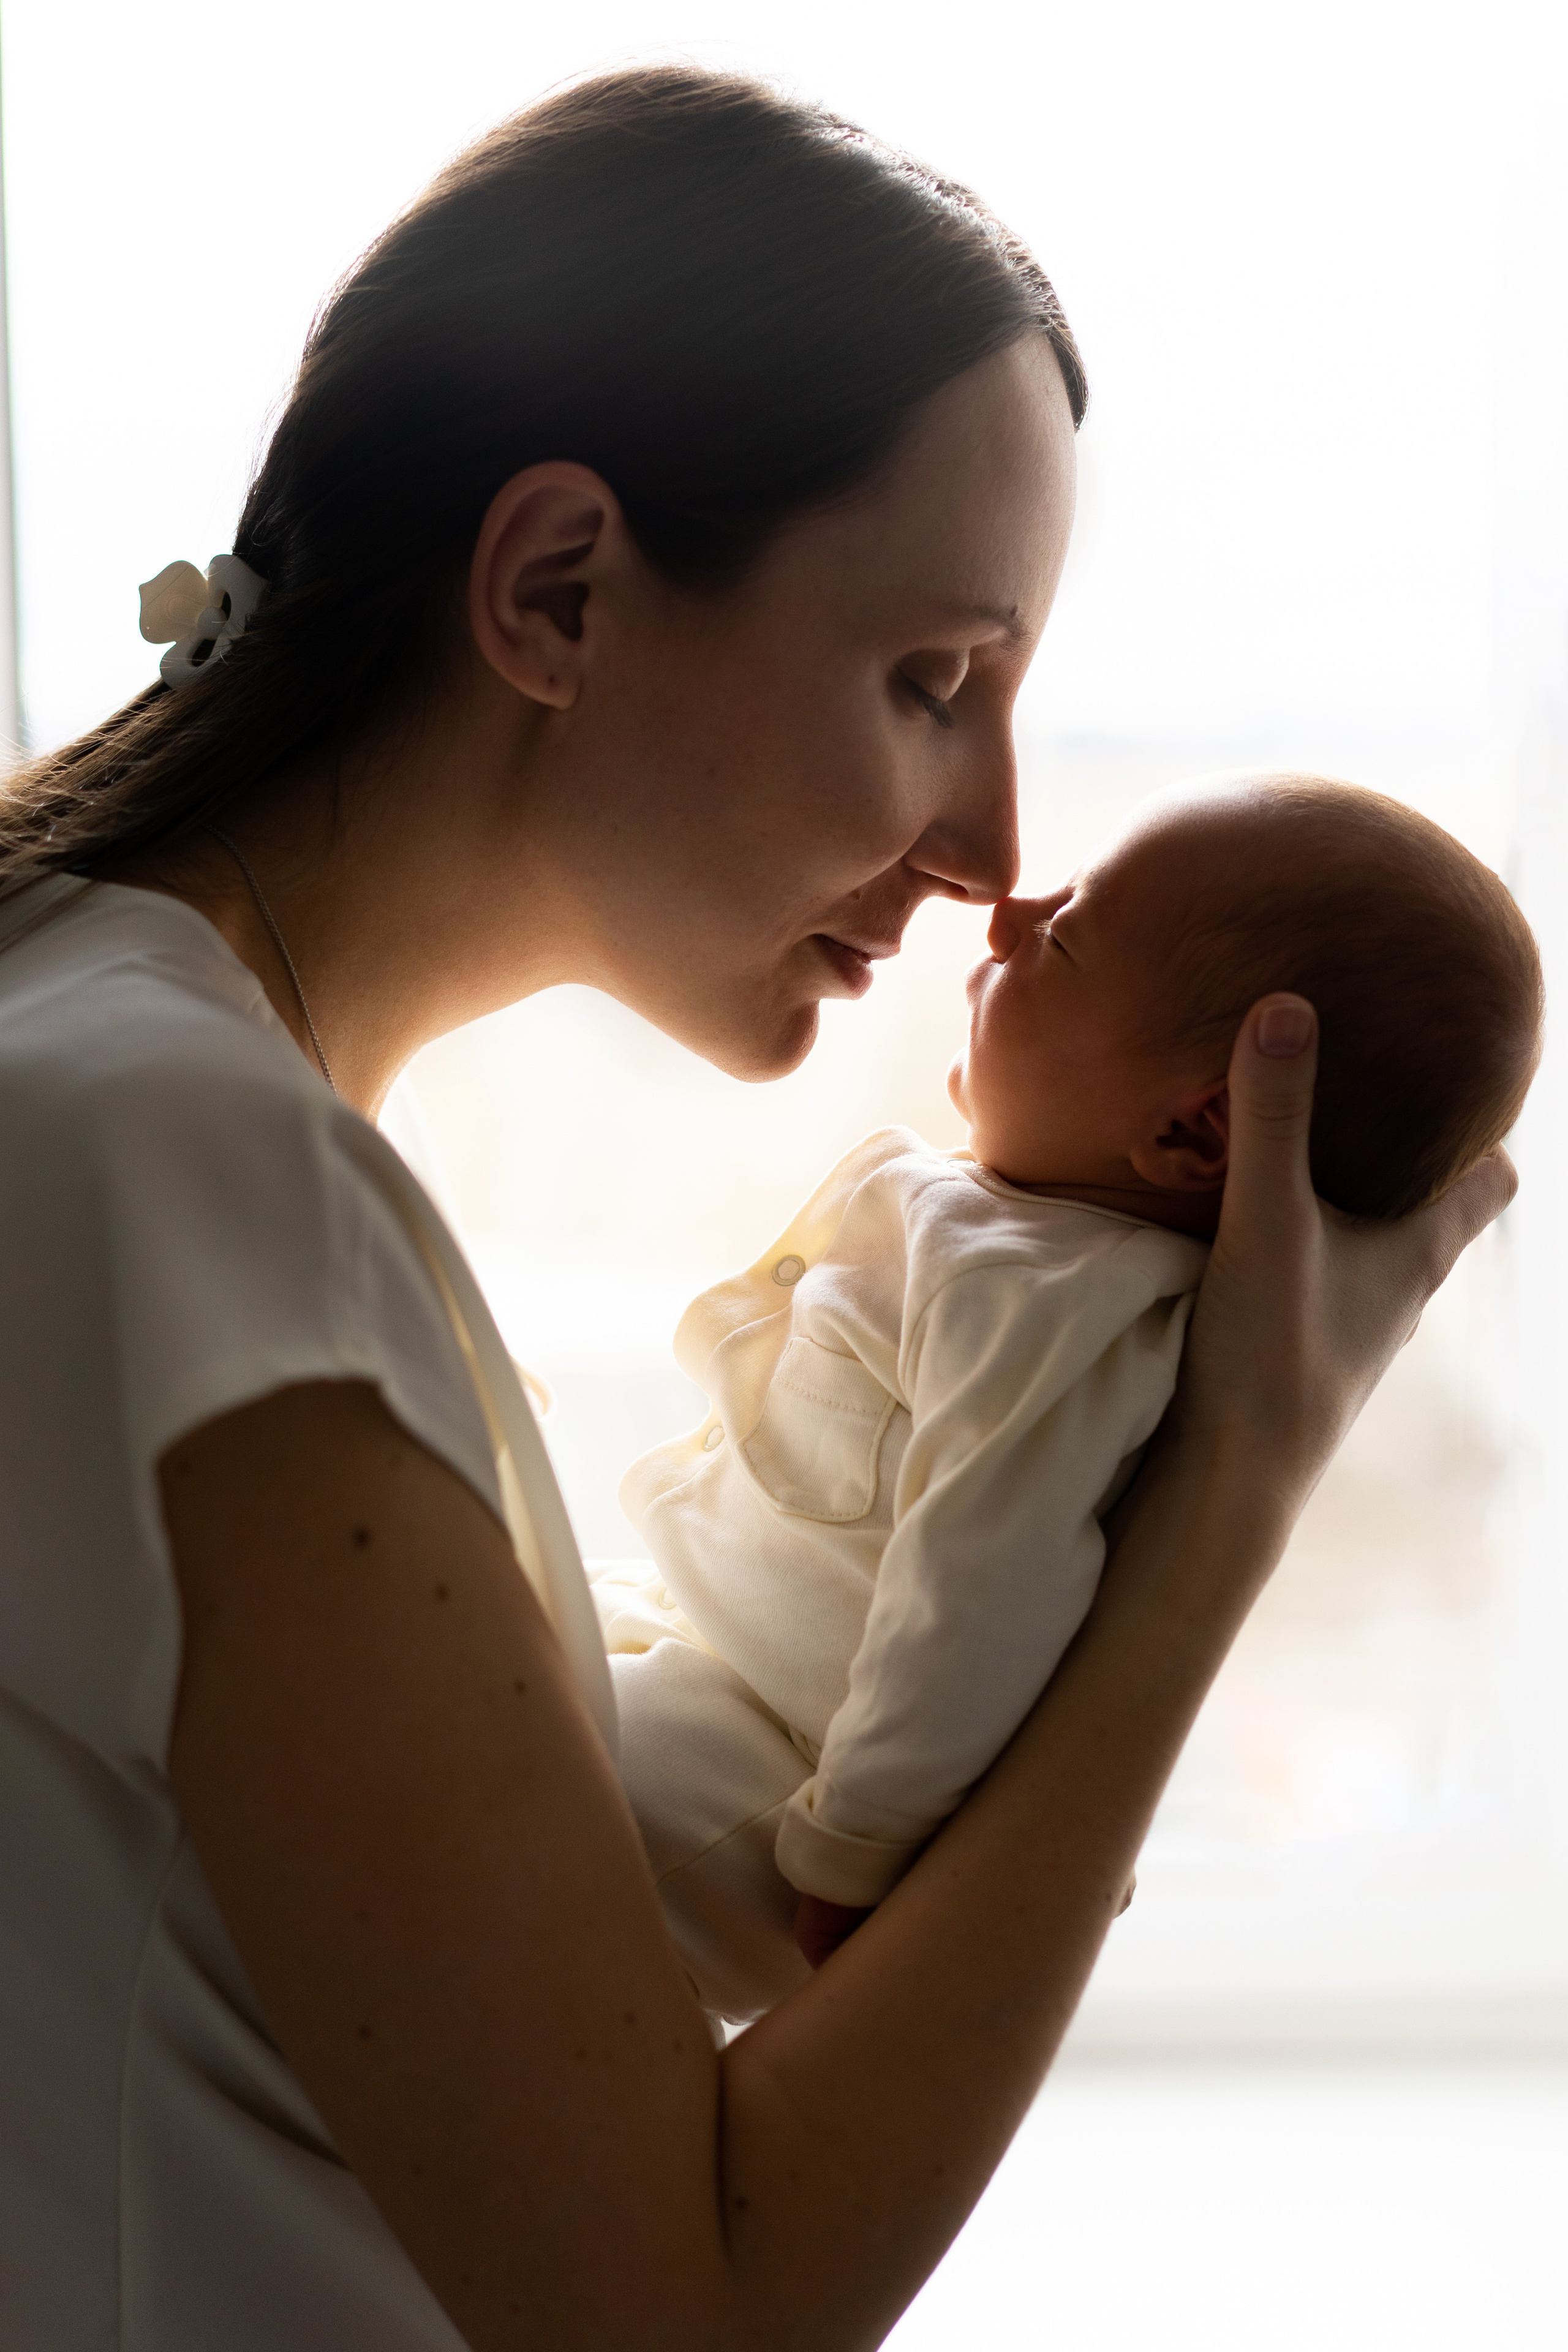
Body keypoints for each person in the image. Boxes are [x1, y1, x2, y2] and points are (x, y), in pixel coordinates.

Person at [0, 66, 1512, 2352]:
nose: (998, 842)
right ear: (556, 588)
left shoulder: (116, 1064)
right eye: (934, 680)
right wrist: (1224, 1512)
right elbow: (689, 2318)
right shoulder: (186, 1181)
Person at [600, 774, 1543, 2024]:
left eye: (1061, 939)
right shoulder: (1015, 1241)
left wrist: (859, 1847)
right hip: (710, 1655)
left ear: (1193, 1136)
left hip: (774, 1792)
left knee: (495, 1770)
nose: (1003, 915)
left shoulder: (1055, 1309)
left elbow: (978, 1583)